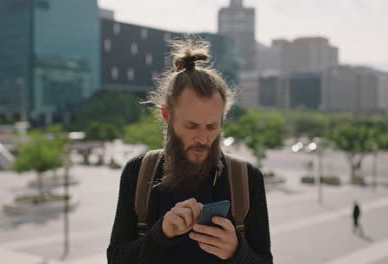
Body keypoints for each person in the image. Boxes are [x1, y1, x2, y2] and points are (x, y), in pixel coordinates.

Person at [107, 38, 273, 263]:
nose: (203, 138)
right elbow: (116, 258)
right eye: (192, 126)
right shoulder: (138, 172)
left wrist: (236, 252)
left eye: (212, 126)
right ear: (167, 116)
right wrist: (160, 234)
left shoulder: (246, 179)